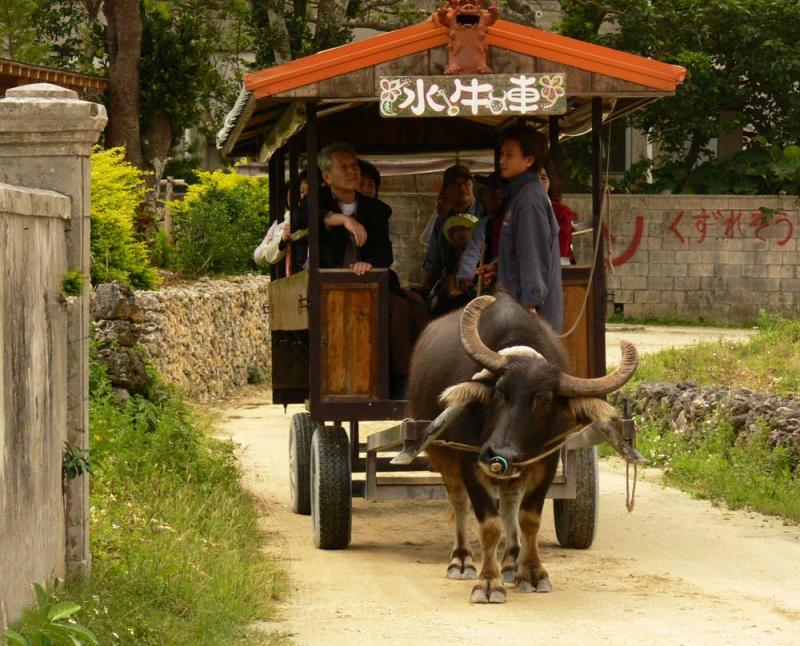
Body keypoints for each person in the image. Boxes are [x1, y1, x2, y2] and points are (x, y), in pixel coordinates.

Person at [316, 143, 428, 397]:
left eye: (354, 165)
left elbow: (384, 254)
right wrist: (342, 220)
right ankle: (393, 378)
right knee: (393, 311)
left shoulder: (376, 210)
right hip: (332, 288)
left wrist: (370, 265)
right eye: (343, 167)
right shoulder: (316, 202)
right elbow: (303, 219)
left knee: (410, 308)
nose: (352, 171)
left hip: (372, 282)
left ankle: (411, 377)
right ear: (327, 177)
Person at [495, 126, 563, 332]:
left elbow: (532, 255)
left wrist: (530, 309)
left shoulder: (528, 199)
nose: (501, 161)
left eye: (509, 155)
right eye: (501, 154)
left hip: (528, 315)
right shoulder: (522, 195)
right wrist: (498, 265)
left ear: (529, 160)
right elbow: (521, 252)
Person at [421, 164, 484, 292]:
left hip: (481, 283)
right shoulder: (442, 221)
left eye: (466, 183)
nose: (462, 187)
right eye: (455, 184)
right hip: (450, 284)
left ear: (472, 185)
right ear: (447, 190)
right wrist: (425, 291)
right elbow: (433, 262)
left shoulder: (484, 214)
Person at [456, 172, 506, 295]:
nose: (484, 198)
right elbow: (471, 254)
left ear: (499, 197)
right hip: (486, 287)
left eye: (487, 193)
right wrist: (466, 279)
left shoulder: (520, 223)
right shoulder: (485, 224)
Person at [253, 172, 309, 273]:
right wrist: (282, 239)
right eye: (301, 191)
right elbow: (258, 255)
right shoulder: (279, 225)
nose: (293, 198)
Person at [428, 212, 480, 316]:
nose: (459, 233)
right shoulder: (452, 256)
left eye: (463, 229)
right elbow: (451, 285)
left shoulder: (481, 252)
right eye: (454, 231)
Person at [540, 158, 576, 265]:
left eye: (543, 178)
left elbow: (561, 252)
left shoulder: (563, 213)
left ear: (550, 182)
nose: (538, 184)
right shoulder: (517, 210)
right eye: (533, 179)